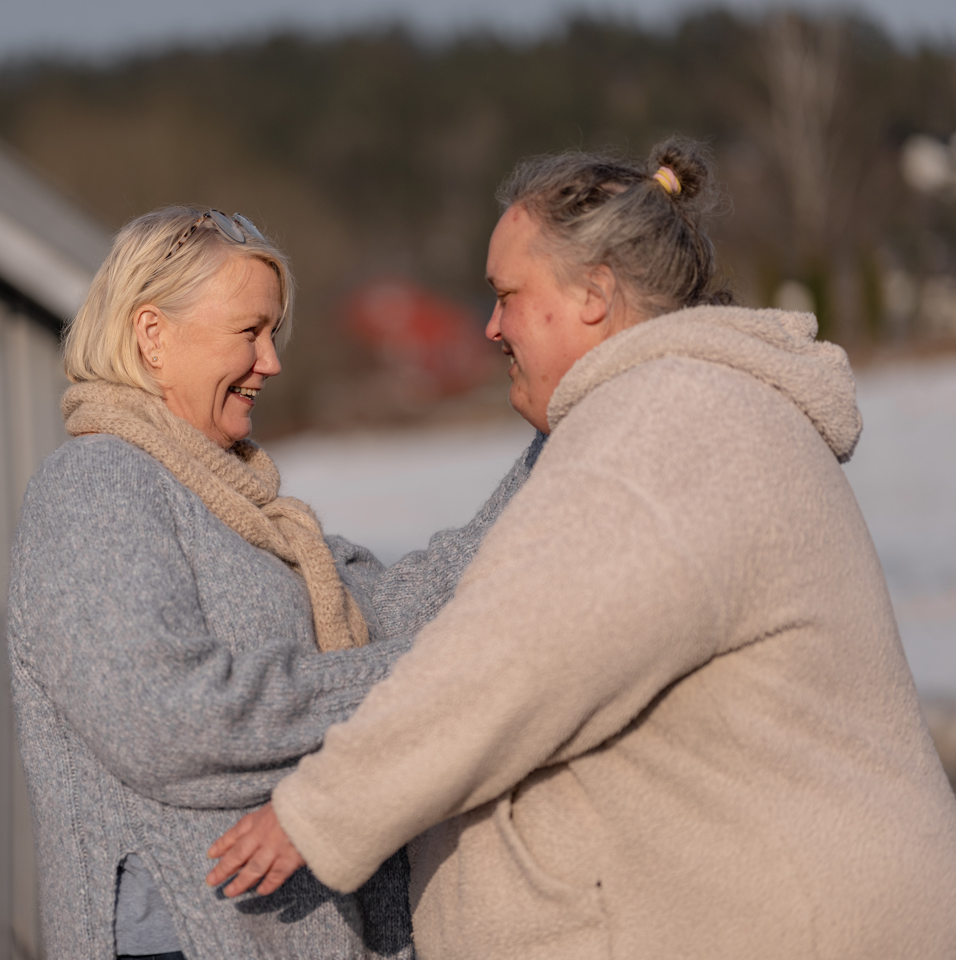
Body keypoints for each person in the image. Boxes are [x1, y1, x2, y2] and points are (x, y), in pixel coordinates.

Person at [207, 140, 956, 958]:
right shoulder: (697, 409)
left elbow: (516, 657)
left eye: (508, 295)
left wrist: (319, 810)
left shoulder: (664, 425)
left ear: (595, 293)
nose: (490, 326)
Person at [7, 206, 543, 960]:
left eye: (272, 334)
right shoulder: (96, 489)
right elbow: (169, 723)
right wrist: (435, 677)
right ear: (152, 334)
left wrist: (559, 451)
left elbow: (385, 613)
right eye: (249, 332)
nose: (272, 362)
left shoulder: (240, 507)